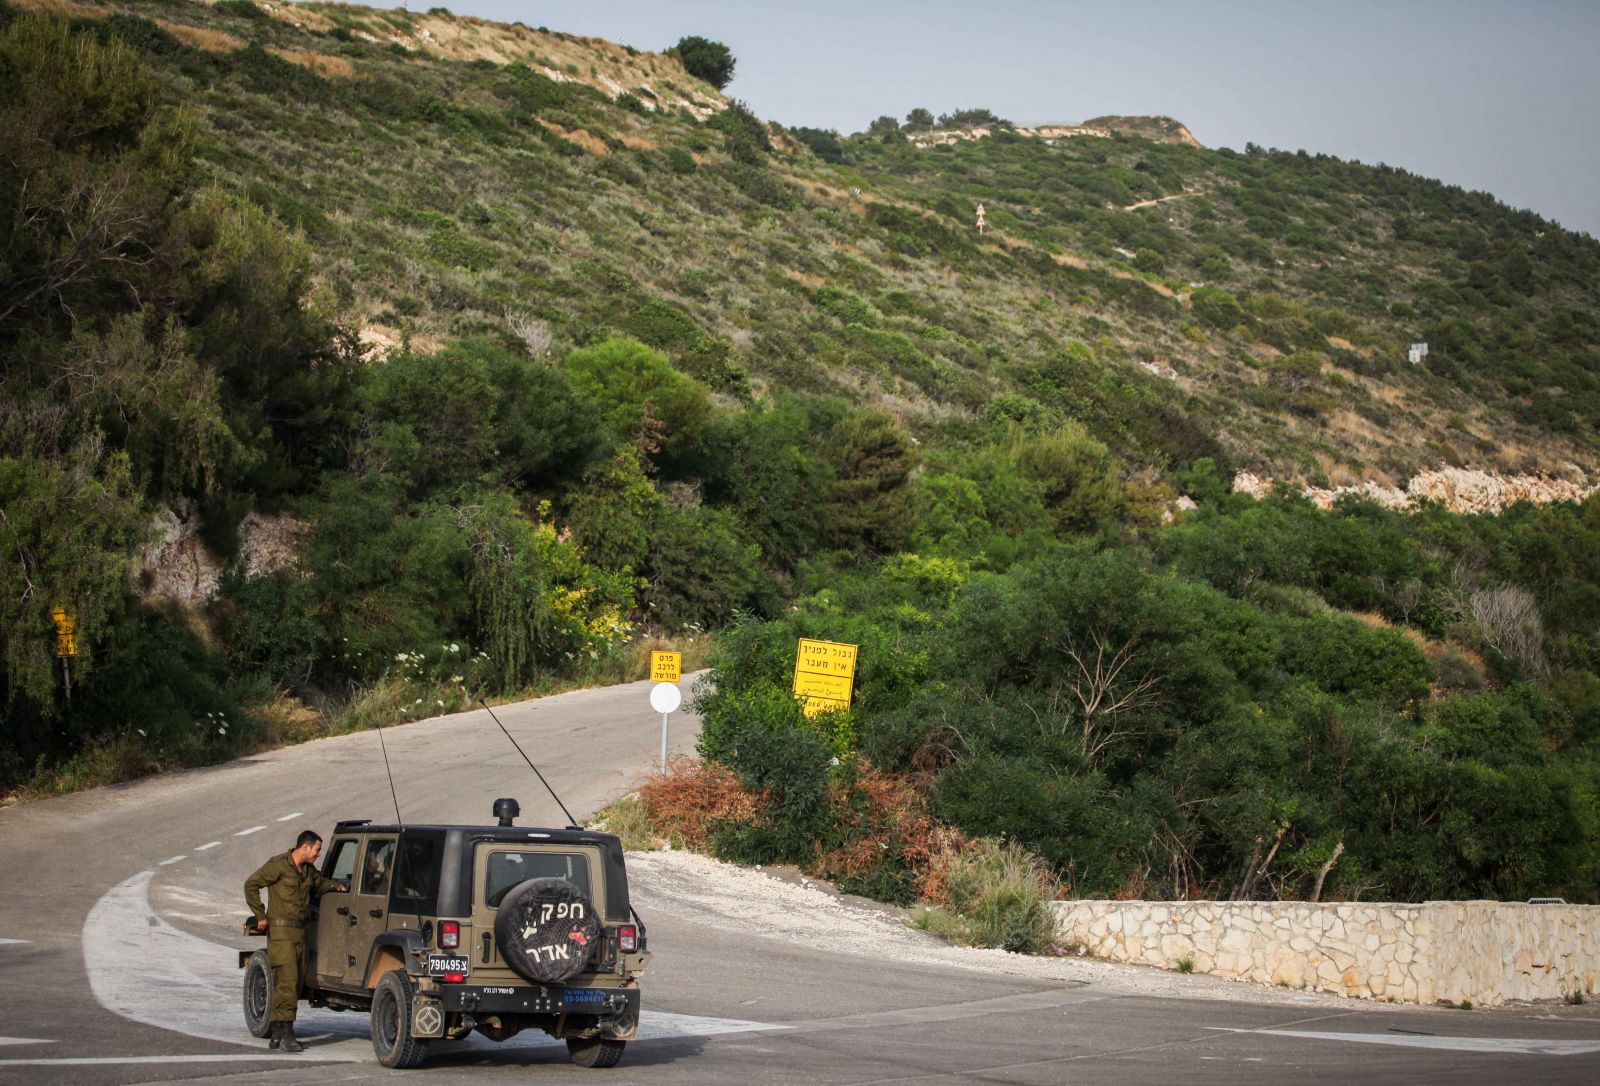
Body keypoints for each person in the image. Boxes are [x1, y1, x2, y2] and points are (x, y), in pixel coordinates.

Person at [244, 830, 348, 1052]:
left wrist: (336, 886)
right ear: (305, 847)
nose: (318, 854)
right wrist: (260, 915)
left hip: (300, 932)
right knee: (288, 982)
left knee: (295, 982)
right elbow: (251, 884)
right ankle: (287, 1033)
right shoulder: (279, 865)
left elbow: (320, 883)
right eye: (317, 849)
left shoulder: (308, 872)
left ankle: (278, 1034)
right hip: (281, 932)